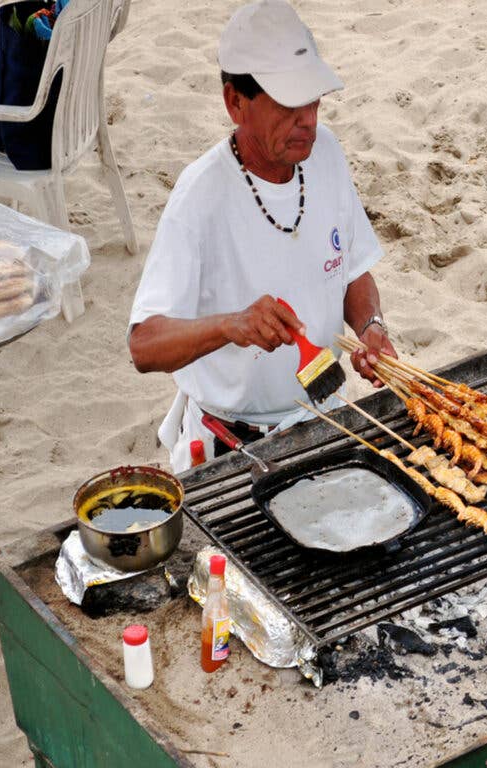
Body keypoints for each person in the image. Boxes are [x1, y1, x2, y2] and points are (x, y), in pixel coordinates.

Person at [128, 0, 396, 472]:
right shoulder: (200, 195)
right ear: (236, 102)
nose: (309, 119)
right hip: (231, 440)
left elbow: (353, 271)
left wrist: (372, 327)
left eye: (313, 100)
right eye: (290, 104)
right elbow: (145, 346)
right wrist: (231, 324)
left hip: (326, 416)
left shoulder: (326, 152)